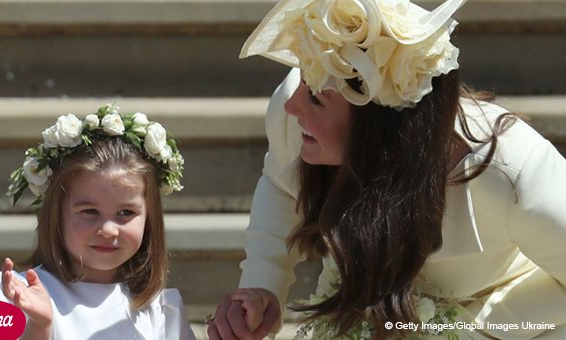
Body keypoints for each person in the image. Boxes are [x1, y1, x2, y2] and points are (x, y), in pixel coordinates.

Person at [208, 0, 566, 339]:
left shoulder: (510, 169)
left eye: (315, 97)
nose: (291, 106)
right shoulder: (295, 118)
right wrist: (262, 284)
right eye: (302, 82)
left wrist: (462, 330)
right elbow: (281, 185)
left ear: (378, 126)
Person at [0, 104, 195, 340]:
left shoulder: (162, 309)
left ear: (149, 218)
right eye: (90, 211)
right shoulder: (19, 293)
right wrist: (40, 328)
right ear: (57, 213)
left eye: (126, 213)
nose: (108, 229)